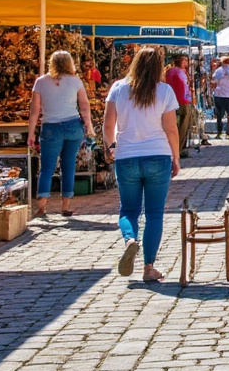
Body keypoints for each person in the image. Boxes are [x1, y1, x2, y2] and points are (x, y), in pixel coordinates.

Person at [103, 47, 180, 282]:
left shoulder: (118, 88)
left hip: (126, 156)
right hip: (158, 155)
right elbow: (171, 129)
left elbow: (108, 125)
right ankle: (149, 267)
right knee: (154, 213)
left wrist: (111, 146)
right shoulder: (164, 91)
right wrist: (176, 158)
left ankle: (130, 240)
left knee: (128, 210)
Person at [28, 50, 93, 218]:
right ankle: (65, 206)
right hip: (73, 126)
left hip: (51, 128)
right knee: (69, 165)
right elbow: (84, 106)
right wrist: (89, 126)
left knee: (47, 168)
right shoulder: (75, 81)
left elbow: (35, 110)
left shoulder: (41, 82)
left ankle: (42, 207)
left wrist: (31, 133)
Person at [164, 53, 196, 158]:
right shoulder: (180, 72)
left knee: (175, 125)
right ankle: (179, 148)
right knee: (183, 126)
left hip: (172, 100)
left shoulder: (169, 71)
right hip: (182, 100)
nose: (186, 63)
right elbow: (185, 88)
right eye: (184, 60)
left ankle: (174, 148)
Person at [211, 56, 229, 139]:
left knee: (219, 114)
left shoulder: (218, 70)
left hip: (219, 94)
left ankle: (219, 132)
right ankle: (228, 130)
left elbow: (213, 80)